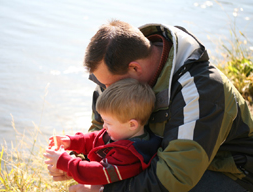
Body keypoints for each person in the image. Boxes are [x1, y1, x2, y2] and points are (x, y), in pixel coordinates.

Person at [47, 20, 253, 192]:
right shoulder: (116, 75)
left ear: (135, 67)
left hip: (228, 174)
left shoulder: (201, 91)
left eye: (108, 84)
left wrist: (101, 189)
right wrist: (78, 162)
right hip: (156, 161)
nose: (105, 90)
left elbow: (174, 176)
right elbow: (103, 129)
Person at [44, 78, 162, 187]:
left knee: (77, 189)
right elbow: (95, 138)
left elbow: (97, 172)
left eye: (108, 122)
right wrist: (71, 142)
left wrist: (64, 161)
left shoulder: (130, 154)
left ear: (132, 125)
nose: (104, 126)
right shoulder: (122, 133)